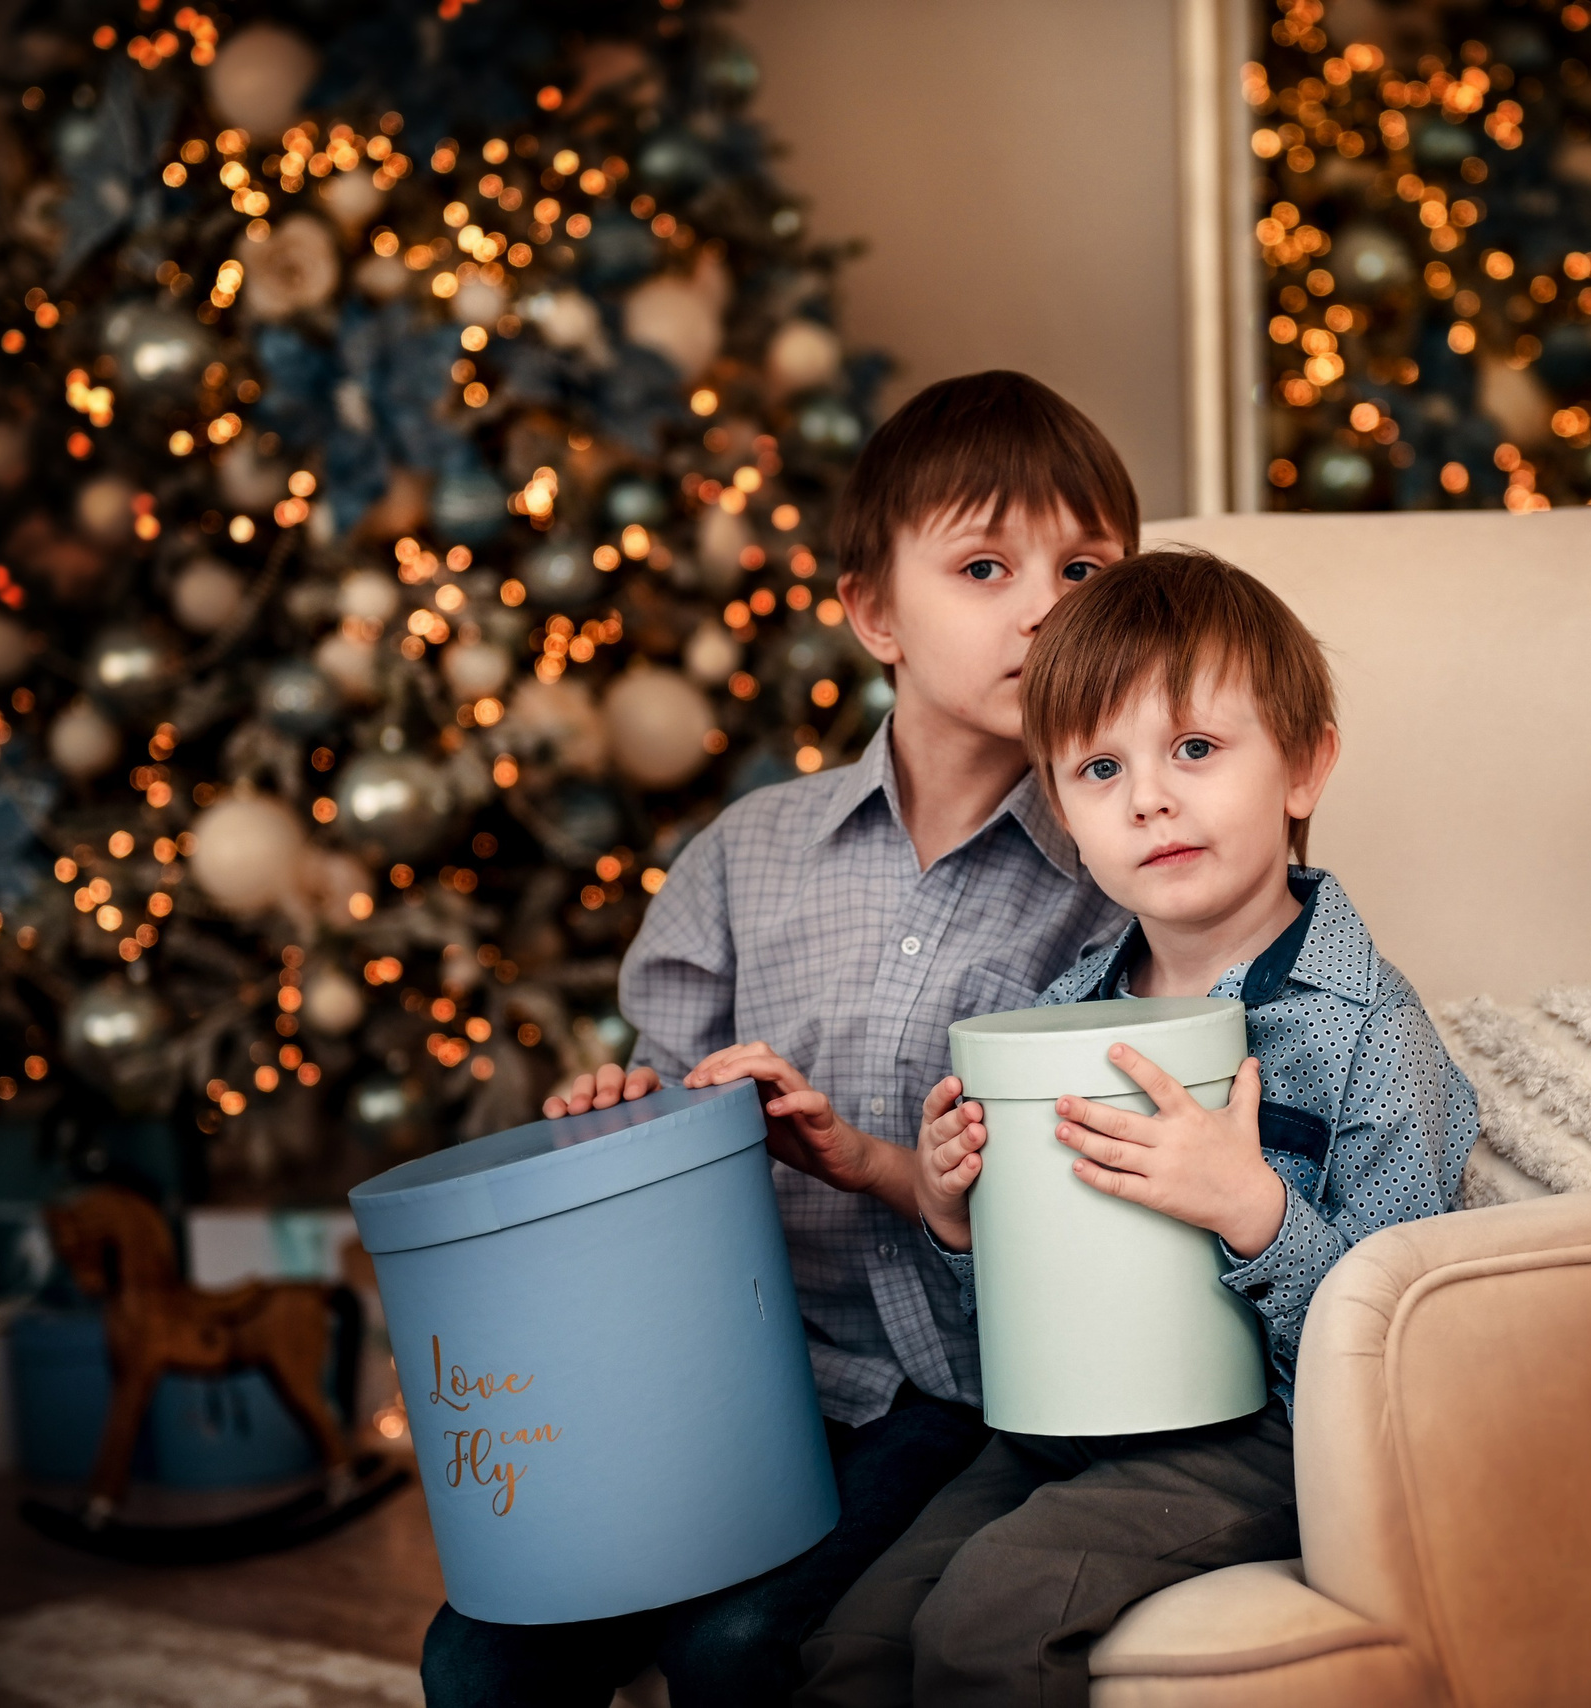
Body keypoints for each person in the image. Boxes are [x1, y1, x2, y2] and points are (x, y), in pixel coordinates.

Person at [419, 371, 1138, 1707]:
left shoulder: (1115, 872)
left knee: (741, 1647)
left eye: (1086, 566)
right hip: (730, 1370)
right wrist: (624, 1117)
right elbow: (652, 1131)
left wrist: (879, 1161)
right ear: (875, 613)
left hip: (942, 1392)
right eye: (986, 566)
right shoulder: (750, 852)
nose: (1047, 607)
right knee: (474, 1659)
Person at [795, 549, 1481, 1708]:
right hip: (1066, 1425)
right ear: (1063, 811)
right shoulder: (1066, 1018)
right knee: (847, 1649)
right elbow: (1019, 1324)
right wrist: (960, 1221)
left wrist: (1252, 1209)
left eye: (1196, 750)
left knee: (988, 1619)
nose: (1149, 798)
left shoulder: (1369, 1030)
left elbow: (1405, 1347)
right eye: (1100, 768)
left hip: (1263, 1438)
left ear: (1303, 766)